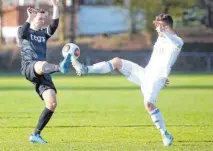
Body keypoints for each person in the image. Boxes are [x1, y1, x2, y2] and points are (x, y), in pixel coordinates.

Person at [71, 13, 183, 147]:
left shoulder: (177, 41)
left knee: (148, 104)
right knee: (117, 62)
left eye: (159, 27)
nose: (156, 29)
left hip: (156, 79)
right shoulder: (160, 39)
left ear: (165, 27)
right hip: (145, 74)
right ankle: (85, 69)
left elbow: (175, 45)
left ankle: (165, 133)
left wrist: (162, 76)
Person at [18, 0, 71, 143]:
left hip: (44, 71)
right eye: (40, 18)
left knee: (52, 103)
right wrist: (29, 17)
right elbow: (23, 33)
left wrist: (55, 7)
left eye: (43, 19)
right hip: (29, 67)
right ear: (33, 18)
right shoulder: (24, 30)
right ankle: (60, 67)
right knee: (41, 64)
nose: (42, 21)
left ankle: (35, 134)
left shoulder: (43, 34)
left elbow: (53, 25)